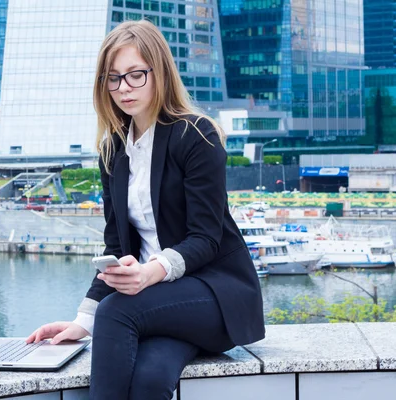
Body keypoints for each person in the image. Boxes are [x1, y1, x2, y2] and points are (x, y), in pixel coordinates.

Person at [26, 20, 265, 399]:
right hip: (156, 304)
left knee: (117, 312)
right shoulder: (113, 150)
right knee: (151, 379)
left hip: (215, 294)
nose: (123, 88)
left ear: (160, 73)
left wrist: (150, 273)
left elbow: (206, 238)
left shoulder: (196, 134)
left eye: (135, 75)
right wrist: (82, 320)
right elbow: (116, 246)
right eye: (113, 78)